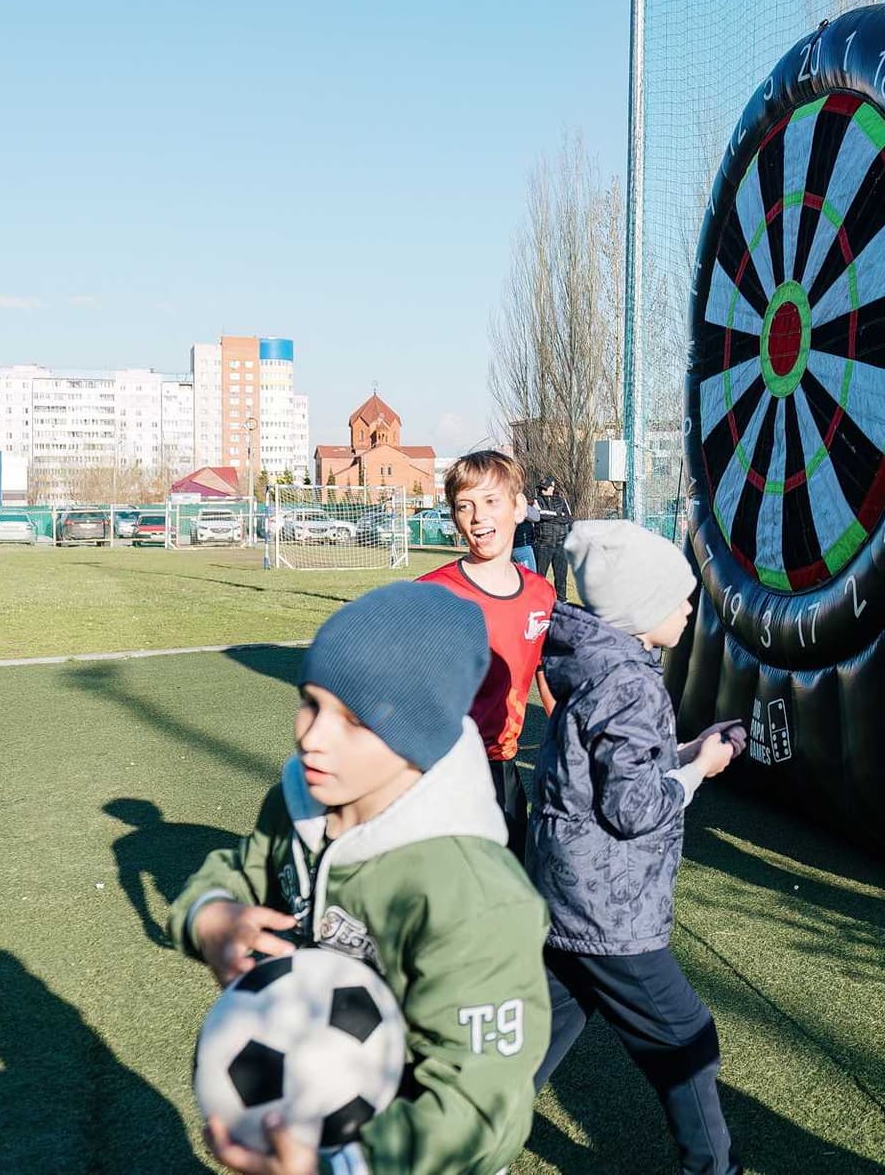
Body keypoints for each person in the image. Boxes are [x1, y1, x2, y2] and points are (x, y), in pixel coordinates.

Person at [170, 582, 552, 1175]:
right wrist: (212, 914)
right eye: (310, 702)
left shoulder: (474, 895)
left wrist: (345, 1167)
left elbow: (481, 1104)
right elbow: (242, 870)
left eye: (354, 719)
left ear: (418, 735)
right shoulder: (299, 803)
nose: (311, 736)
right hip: (308, 1119)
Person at [529, 520, 743, 1175]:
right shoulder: (632, 684)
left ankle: (468, 1131)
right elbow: (633, 808)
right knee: (685, 1038)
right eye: (677, 598)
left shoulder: (599, 666)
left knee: (543, 1028)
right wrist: (699, 770)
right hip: (609, 905)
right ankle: (714, 1168)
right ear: (640, 609)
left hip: (567, 892)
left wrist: (686, 750)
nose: (688, 608)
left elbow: (609, 770)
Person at [418, 450, 557, 861]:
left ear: (519, 508)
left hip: (502, 765)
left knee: (513, 876)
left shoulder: (541, 594)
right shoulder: (432, 594)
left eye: (491, 501)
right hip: (442, 769)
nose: (478, 517)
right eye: (465, 506)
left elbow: (548, 677)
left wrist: (578, 742)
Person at [530, 478, 573, 596]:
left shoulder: (561, 501)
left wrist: (551, 516)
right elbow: (539, 515)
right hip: (543, 544)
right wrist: (558, 515)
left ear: (552, 488)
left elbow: (568, 518)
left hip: (560, 543)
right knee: (539, 577)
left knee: (561, 578)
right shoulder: (536, 500)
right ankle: (538, 600)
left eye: (545, 488)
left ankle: (562, 601)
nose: (542, 490)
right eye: (541, 488)